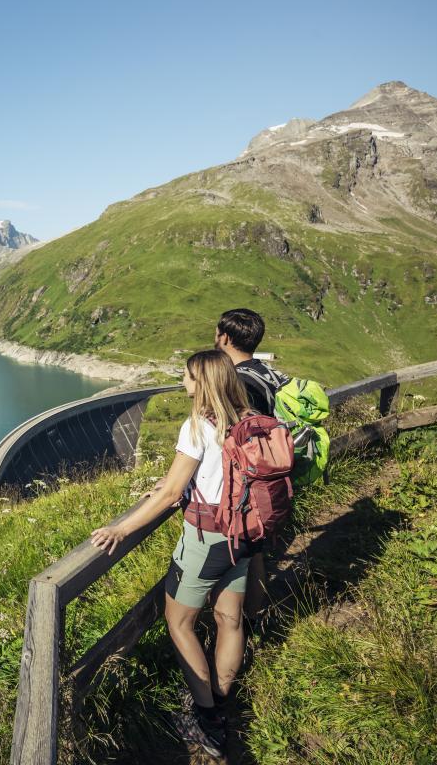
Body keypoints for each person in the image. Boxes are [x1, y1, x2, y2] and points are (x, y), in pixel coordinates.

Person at [89, 350, 253, 758]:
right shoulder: (247, 419)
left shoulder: (197, 425)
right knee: (230, 619)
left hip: (208, 539)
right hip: (245, 534)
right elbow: (199, 476)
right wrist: (169, 482)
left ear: (202, 382)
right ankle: (221, 700)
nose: (183, 382)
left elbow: (169, 495)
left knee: (179, 622)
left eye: (187, 376)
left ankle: (207, 718)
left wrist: (121, 528)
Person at [214, 308, 282, 622]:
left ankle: (243, 622)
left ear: (225, 337)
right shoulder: (266, 372)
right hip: (270, 470)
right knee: (256, 553)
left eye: (217, 333)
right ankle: (255, 618)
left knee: (245, 555)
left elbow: (233, 433)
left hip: (247, 481)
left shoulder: (238, 381)